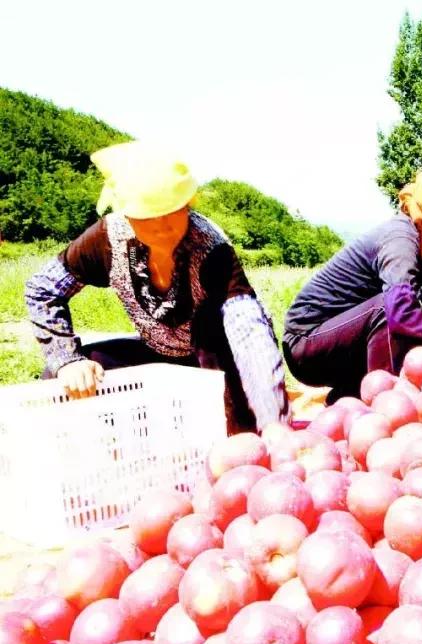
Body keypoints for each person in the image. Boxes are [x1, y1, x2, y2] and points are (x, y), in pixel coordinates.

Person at [24, 141, 288, 434]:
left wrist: (272, 419)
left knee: (211, 326)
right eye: (148, 216)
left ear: (187, 205)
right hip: (159, 356)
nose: (163, 226)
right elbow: (43, 289)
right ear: (127, 214)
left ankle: (238, 426)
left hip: (217, 365)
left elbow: (248, 331)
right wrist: (66, 359)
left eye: (173, 211)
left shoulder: (211, 249)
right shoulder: (107, 239)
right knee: (63, 375)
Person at [283, 168, 422, 402]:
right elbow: (399, 313)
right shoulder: (401, 240)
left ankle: (348, 396)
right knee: (392, 310)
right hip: (307, 345)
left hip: (345, 343)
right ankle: (384, 402)